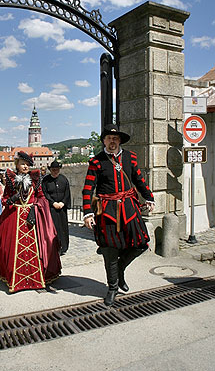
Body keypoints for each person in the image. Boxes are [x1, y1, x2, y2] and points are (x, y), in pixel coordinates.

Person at [82, 124, 155, 306]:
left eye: (115, 138)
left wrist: (148, 197)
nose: (112, 141)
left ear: (119, 140)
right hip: (107, 212)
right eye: (108, 138)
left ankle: (120, 269)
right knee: (110, 250)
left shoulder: (130, 157)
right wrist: (88, 213)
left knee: (141, 244)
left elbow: (139, 179)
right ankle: (113, 287)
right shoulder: (96, 161)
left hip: (130, 207)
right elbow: (88, 188)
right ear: (104, 141)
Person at [0, 151, 61, 293]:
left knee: (39, 245)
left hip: (32, 218)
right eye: (22, 164)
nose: (25, 166)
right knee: (10, 247)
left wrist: (36, 206)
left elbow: (41, 197)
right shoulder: (11, 181)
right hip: (14, 217)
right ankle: (17, 280)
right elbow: (4, 199)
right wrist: (12, 199)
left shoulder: (36, 180)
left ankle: (36, 278)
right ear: (17, 165)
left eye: (27, 164)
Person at [42, 160, 71, 255]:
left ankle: (64, 246)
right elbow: (45, 193)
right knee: (54, 227)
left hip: (62, 207)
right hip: (52, 208)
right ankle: (55, 247)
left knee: (63, 227)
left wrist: (63, 202)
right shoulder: (46, 181)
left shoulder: (64, 179)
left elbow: (67, 193)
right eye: (53, 170)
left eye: (57, 170)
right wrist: (53, 203)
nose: (55, 172)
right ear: (50, 170)